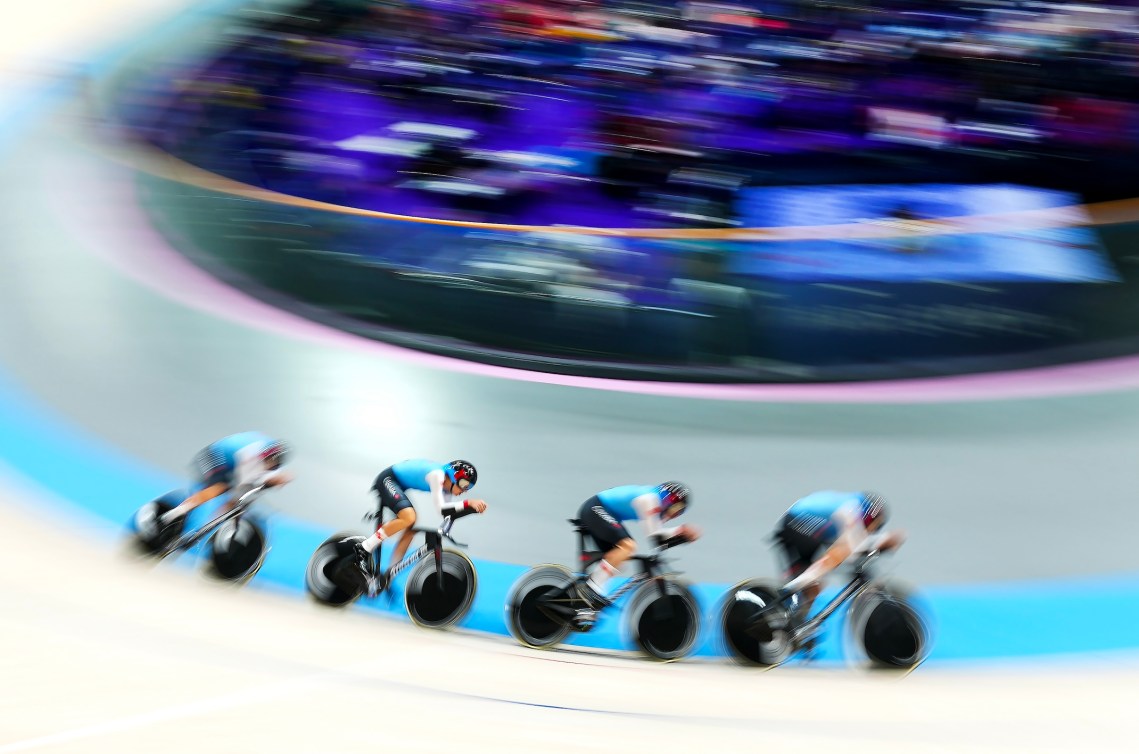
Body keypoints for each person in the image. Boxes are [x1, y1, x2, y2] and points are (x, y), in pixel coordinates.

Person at [773, 490, 906, 641]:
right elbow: (854, 549)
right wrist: (883, 540)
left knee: (815, 587)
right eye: (872, 526)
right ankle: (790, 589)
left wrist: (873, 546)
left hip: (800, 524)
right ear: (870, 515)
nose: (870, 531)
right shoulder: (851, 509)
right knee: (836, 557)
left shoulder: (852, 509)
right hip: (796, 522)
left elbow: (855, 546)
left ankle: (798, 627)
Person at [347, 459, 487, 587]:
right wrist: (469, 503)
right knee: (409, 517)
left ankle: (389, 576)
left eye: (468, 488)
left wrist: (468, 511)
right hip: (388, 479)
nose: (464, 490)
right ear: (453, 475)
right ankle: (364, 548)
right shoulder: (437, 475)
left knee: (410, 530)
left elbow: (447, 513)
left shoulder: (447, 488)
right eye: (464, 484)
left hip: (399, 485)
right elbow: (441, 508)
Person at [574, 482, 699, 621]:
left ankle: (586, 606)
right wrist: (681, 531)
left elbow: (660, 542)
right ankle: (591, 589)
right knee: (628, 546)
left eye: (679, 513)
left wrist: (682, 537)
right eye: (676, 509)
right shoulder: (649, 499)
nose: (674, 515)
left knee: (620, 558)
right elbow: (654, 534)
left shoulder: (656, 500)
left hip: (603, 511)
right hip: (595, 508)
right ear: (670, 501)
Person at [160, 432, 292, 529]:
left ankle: (211, 527)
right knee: (221, 487)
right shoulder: (250, 454)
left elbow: (255, 485)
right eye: (267, 461)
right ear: (264, 456)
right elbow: (242, 484)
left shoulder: (273, 466)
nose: (268, 465)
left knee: (238, 501)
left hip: (234, 463)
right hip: (216, 455)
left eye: (271, 464)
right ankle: (176, 512)